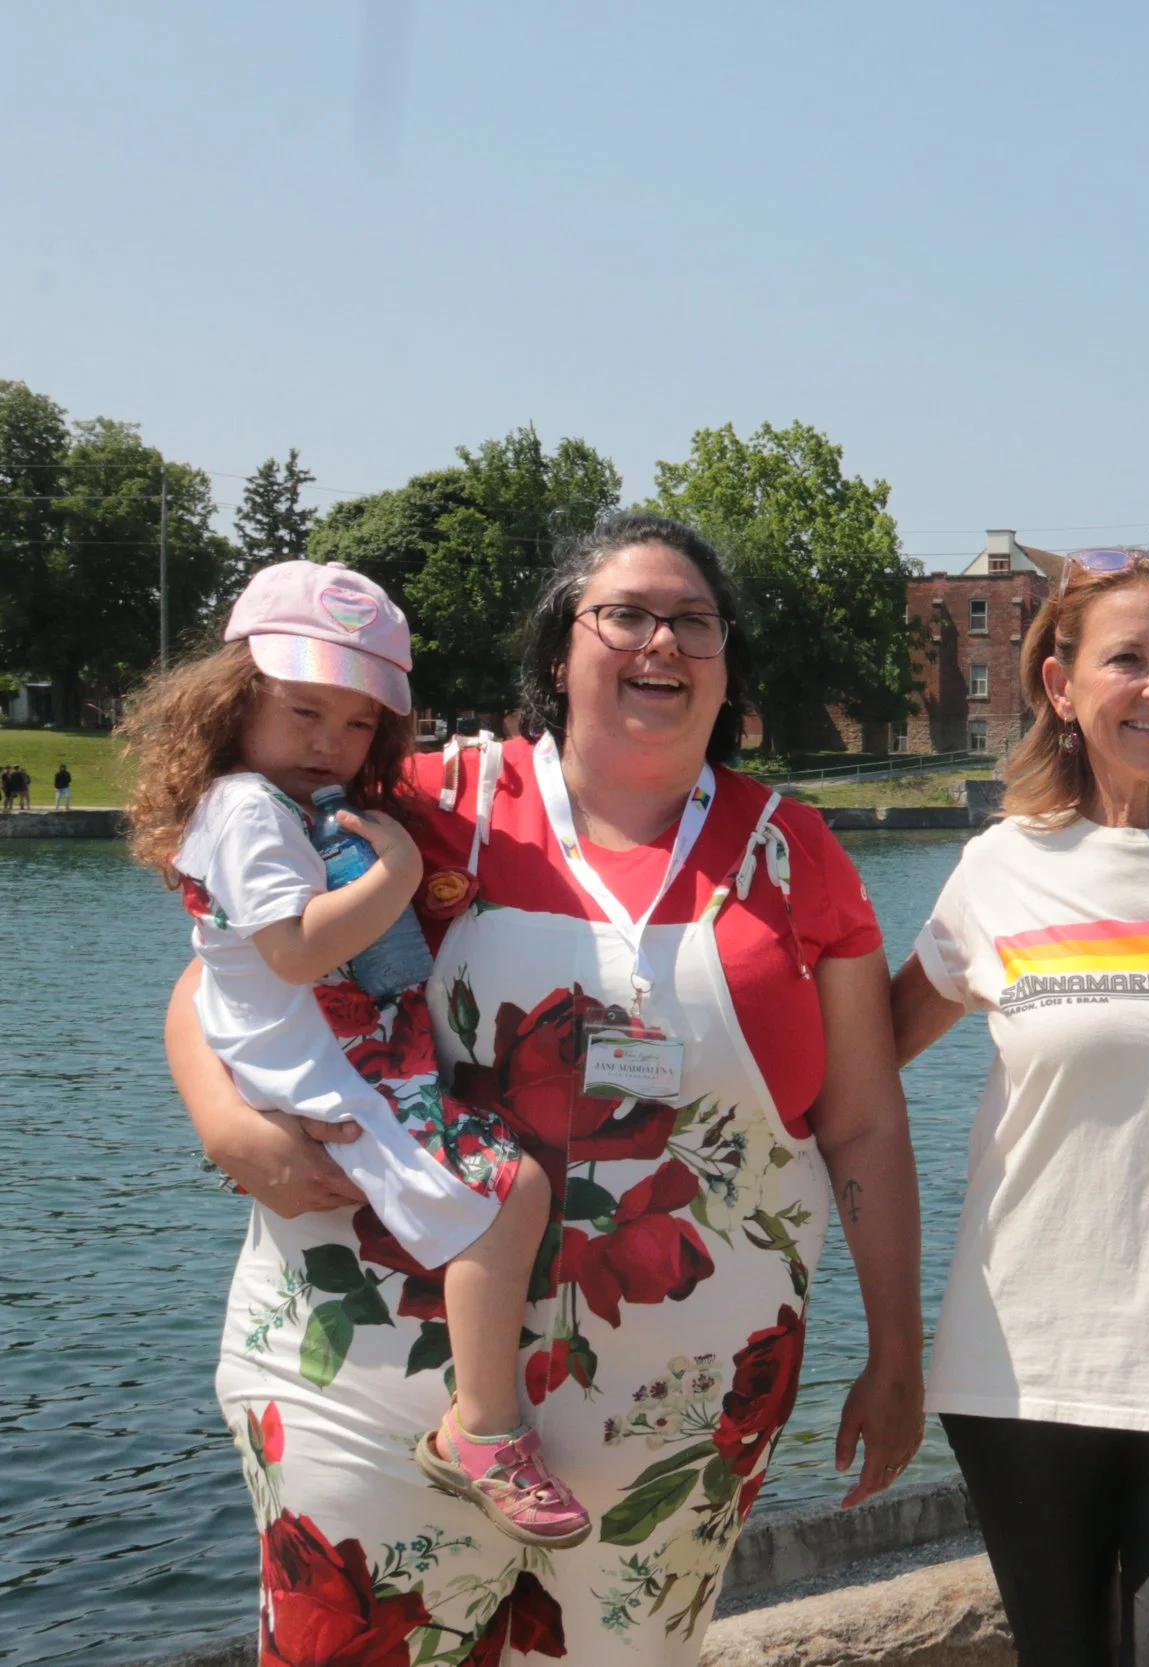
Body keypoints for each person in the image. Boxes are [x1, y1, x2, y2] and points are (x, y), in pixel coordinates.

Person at [166, 515, 924, 1663]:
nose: (660, 639)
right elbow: (222, 965)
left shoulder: (795, 852)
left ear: (725, 667)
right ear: (557, 652)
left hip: (672, 1430)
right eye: (623, 612)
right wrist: (223, 1119)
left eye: (694, 620)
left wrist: (895, 1352)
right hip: (370, 1386)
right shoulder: (429, 803)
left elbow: (863, 1122)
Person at [890, 547, 1149, 1666]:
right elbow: (861, 1068)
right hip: (1022, 1358)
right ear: (1059, 684)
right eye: (1126, 659)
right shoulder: (998, 867)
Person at [129, 561, 591, 1547]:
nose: (330, 743)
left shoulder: (271, 802)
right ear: (233, 698)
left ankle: (482, 1419)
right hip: (327, 1069)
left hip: (325, 1055)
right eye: (303, 711)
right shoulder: (253, 808)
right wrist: (402, 867)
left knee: (502, 1193)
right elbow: (296, 947)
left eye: (355, 723)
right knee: (507, 1193)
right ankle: (485, 1427)